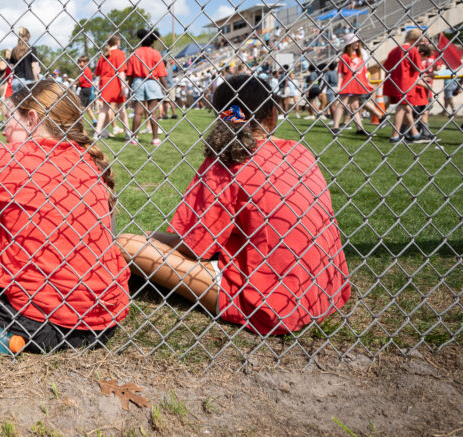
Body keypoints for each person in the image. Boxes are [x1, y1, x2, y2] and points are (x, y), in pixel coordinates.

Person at [116, 75, 351, 335]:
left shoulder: (225, 162)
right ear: (272, 115)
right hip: (325, 288)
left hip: (269, 303)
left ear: (220, 118)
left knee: (127, 243)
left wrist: (155, 239)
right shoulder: (299, 151)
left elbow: (197, 247)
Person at [0, 80, 129, 352]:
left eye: (10, 119)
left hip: (31, 322)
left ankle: (4, 334)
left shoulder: (0, 158)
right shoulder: (91, 161)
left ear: (32, 119)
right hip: (103, 321)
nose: (5, 129)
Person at [124, 29, 168, 147]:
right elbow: (161, 73)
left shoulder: (135, 53)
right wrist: (165, 88)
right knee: (152, 112)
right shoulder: (156, 53)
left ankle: (134, 138)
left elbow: (130, 74)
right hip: (153, 82)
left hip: (138, 81)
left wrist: (129, 89)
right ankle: (155, 139)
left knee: (138, 112)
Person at [382, 28, 424, 143]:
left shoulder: (395, 49)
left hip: (393, 82)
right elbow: (418, 68)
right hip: (405, 83)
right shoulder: (412, 49)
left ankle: (415, 133)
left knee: (407, 108)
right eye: (420, 41)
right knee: (401, 109)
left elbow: (385, 66)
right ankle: (395, 136)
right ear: (415, 39)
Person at [331, 33, 374, 136]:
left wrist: (366, 83)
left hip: (357, 84)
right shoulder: (345, 56)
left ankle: (360, 129)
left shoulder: (359, 56)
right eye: (355, 42)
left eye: (358, 42)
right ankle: (335, 127)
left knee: (355, 107)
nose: (357, 44)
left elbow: (363, 72)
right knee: (342, 105)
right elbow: (341, 73)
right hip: (347, 83)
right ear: (349, 44)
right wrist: (339, 86)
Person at [94, 35, 131, 139]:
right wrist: (123, 85)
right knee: (122, 109)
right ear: (117, 42)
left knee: (104, 109)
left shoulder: (103, 55)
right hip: (115, 83)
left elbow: (98, 73)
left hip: (105, 83)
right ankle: (128, 132)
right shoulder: (120, 53)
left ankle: (98, 132)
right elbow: (121, 72)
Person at [7, 26, 40, 92]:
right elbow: (34, 65)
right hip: (28, 80)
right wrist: (36, 79)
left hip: (16, 80)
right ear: (28, 37)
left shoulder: (14, 50)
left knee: (17, 101)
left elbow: (11, 65)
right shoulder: (31, 49)